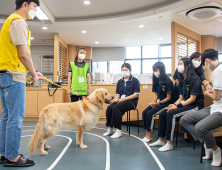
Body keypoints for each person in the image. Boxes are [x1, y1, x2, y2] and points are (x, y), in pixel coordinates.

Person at [0, 0, 44, 167]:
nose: (35, 10)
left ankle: (4, 153)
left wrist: (34, 72)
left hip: (4, 74)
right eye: (35, 6)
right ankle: (12, 156)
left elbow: (15, 55)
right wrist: (33, 74)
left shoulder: (8, 22)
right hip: (14, 77)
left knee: (6, 115)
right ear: (25, 4)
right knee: (15, 117)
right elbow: (23, 54)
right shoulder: (18, 22)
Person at [149, 58, 204, 152]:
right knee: (164, 112)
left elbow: (192, 99)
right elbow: (181, 98)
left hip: (195, 106)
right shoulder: (182, 80)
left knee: (171, 114)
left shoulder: (194, 79)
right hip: (186, 104)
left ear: (188, 66)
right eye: (178, 63)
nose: (179, 66)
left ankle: (169, 143)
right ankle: (160, 140)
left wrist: (177, 107)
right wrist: (173, 105)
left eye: (181, 64)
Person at [181, 49, 222, 167]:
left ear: (207, 61)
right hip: (214, 107)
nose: (204, 65)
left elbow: (216, 97)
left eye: (203, 62)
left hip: (220, 110)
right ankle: (207, 144)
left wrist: (207, 93)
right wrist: (212, 90)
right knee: (185, 120)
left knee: (200, 127)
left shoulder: (218, 71)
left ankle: (216, 150)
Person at [173, 52, 212, 141]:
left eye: (199, 60)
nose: (197, 62)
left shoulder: (199, 71)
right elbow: (175, 76)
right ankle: (186, 134)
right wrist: (181, 85)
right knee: (182, 109)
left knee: (188, 111)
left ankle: (198, 138)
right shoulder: (182, 68)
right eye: (195, 59)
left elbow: (203, 79)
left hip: (193, 97)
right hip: (183, 94)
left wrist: (207, 85)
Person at [103, 63, 140, 138]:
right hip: (121, 100)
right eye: (122, 70)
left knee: (116, 108)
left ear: (130, 71)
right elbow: (118, 94)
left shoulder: (135, 81)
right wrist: (116, 99)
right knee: (110, 107)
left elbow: (136, 95)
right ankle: (110, 129)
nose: (124, 71)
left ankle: (118, 130)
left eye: (126, 70)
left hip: (131, 102)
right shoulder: (120, 81)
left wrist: (123, 99)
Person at [141, 61, 173, 143]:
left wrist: (158, 103)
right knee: (145, 112)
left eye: (156, 70)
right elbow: (156, 95)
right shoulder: (156, 80)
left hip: (166, 103)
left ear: (161, 70)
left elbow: (169, 98)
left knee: (150, 113)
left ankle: (150, 135)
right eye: (154, 71)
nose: (155, 72)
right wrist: (153, 103)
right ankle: (147, 133)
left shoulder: (168, 81)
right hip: (158, 102)